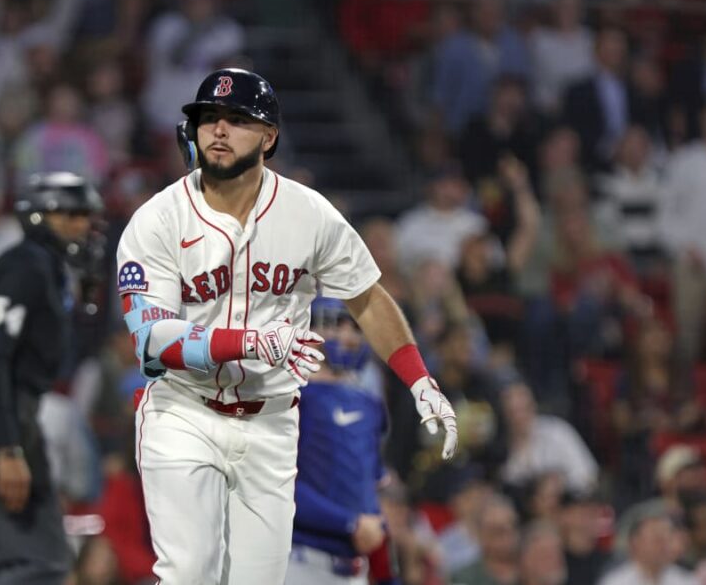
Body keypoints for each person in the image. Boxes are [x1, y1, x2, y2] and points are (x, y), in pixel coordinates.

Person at [116, 67, 458, 585]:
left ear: (269, 137)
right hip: (184, 411)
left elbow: (367, 298)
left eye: (237, 119)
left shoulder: (308, 214)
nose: (219, 130)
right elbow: (153, 340)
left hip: (270, 420)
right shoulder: (157, 220)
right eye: (209, 118)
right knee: (190, 571)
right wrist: (252, 341)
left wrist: (420, 380)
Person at [0, 171, 104, 585]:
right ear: (38, 217)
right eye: (70, 215)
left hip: (6, 414)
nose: (82, 225)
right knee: (28, 565)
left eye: (84, 215)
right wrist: (6, 447)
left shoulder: (45, 268)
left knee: (21, 564)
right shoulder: (24, 265)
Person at [285, 297, 391, 585]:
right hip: (299, 560)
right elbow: (278, 486)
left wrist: (386, 572)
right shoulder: (289, 397)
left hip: (355, 569)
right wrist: (348, 524)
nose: (349, 336)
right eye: (337, 324)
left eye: (355, 327)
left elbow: (369, 497)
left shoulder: (370, 404)